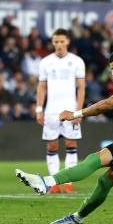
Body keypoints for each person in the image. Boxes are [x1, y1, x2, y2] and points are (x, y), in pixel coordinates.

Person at [16, 48, 113, 224]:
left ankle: (53, 190)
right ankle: (64, 203)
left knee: (102, 169)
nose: (112, 73)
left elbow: (108, 104)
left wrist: (76, 114)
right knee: (102, 171)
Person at [36, 29, 85, 194]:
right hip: (50, 112)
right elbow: (41, 87)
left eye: (62, 41)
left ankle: (68, 183)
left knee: (71, 144)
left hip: (70, 111)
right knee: (52, 145)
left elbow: (81, 88)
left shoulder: (77, 61)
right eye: (56, 41)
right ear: (52, 42)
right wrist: (38, 109)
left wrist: (79, 111)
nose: (58, 44)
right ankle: (54, 182)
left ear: (68, 41)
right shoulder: (45, 62)